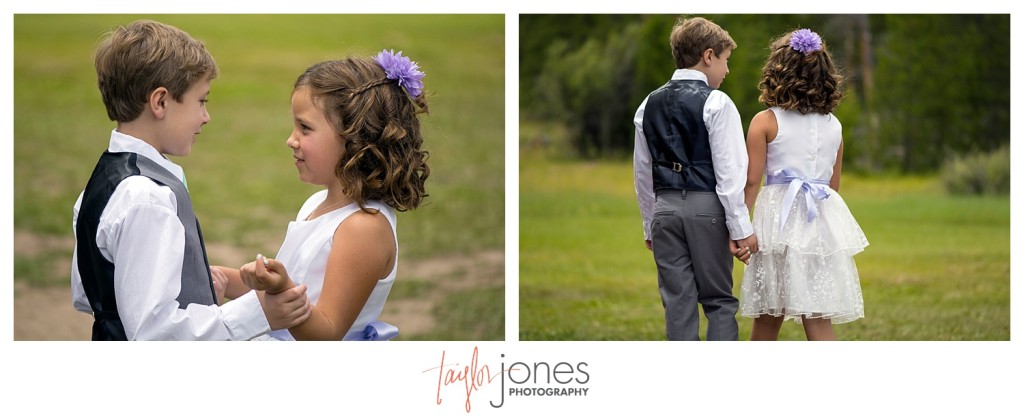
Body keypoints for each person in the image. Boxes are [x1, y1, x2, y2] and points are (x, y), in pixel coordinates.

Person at [71, 20, 311, 340]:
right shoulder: (146, 198)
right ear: (160, 102)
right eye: (201, 101)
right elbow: (155, 333)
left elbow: (87, 292)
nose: (206, 116)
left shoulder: (105, 180)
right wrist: (257, 313)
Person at [212, 50, 430, 340]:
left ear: (355, 138)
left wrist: (282, 289)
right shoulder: (317, 204)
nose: (291, 139)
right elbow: (292, 290)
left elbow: (326, 333)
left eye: (305, 128)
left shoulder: (364, 228)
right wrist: (225, 279)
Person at [633, 16, 758, 341]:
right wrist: (741, 229)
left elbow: (643, 174)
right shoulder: (717, 103)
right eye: (725, 61)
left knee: (678, 302)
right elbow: (731, 175)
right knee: (718, 301)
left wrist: (650, 224)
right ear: (708, 56)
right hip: (707, 209)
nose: (727, 71)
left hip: (665, 211)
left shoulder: (647, 104)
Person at [739, 29, 868, 341]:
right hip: (818, 225)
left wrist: (739, 226)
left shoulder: (765, 121)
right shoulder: (834, 125)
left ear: (776, 71)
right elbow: (832, 185)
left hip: (777, 225)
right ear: (824, 74)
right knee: (818, 317)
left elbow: (752, 181)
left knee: (768, 317)